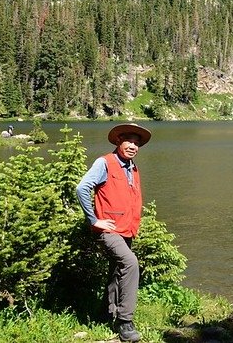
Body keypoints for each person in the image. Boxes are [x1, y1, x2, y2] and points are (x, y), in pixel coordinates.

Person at [75, 123, 152, 343]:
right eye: (129, 141)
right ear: (118, 141)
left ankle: (105, 312)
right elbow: (82, 188)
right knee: (130, 264)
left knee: (116, 271)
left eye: (137, 143)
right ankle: (125, 323)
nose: (133, 146)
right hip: (108, 230)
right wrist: (94, 220)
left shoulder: (132, 167)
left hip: (126, 229)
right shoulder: (105, 163)